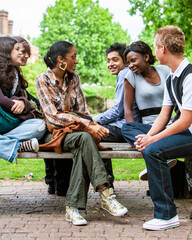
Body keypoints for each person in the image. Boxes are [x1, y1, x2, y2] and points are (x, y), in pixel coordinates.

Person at [36, 40, 128, 226]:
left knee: (85, 140)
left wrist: (89, 124)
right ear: (61, 60)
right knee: (87, 137)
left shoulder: (74, 79)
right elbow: (53, 117)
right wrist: (87, 126)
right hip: (54, 135)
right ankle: (105, 193)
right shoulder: (42, 80)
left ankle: (72, 208)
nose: (76, 61)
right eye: (73, 57)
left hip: (77, 133)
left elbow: (83, 111)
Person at [123, 25, 192, 230]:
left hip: (188, 130)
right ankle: (166, 214)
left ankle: (166, 216)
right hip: (184, 130)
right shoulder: (172, 76)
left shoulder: (189, 77)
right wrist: (149, 136)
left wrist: (153, 140)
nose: (154, 50)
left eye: (155, 46)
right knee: (136, 133)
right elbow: (164, 114)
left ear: (162, 48)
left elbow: (185, 120)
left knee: (154, 151)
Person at [121, 41, 176, 180]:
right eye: (128, 62)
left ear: (146, 57)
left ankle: (153, 160)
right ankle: (155, 157)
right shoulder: (130, 77)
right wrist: (131, 138)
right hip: (148, 128)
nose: (130, 65)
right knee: (127, 128)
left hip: (170, 125)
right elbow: (127, 109)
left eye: (133, 60)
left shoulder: (165, 71)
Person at [93, 42, 140, 185]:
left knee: (94, 135)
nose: (110, 64)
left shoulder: (124, 73)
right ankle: (107, 181)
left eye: (115, 59)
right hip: (128, 125)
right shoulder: (128, 73)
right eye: (108, 61)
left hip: (125, 128)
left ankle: (106, 183)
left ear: (125, 61)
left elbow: (117, 111)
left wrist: (92, 120)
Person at [0, 36, 46, 163]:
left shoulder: (15, 75)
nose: (22, 54)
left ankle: (4, 142)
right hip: (5, 119)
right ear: (5, 51)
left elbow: (24, 97)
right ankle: (17, 145)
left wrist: (22, 102)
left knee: (40, 126)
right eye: (18, 49)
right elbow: (3, 101)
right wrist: (21, 104)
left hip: (7, 124)